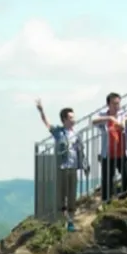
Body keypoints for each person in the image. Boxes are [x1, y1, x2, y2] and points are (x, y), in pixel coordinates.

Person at [36, 98, 89, 231]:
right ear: (64, 120)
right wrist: (42, 111)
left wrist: (84, 165)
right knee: (62, 195)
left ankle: (70, 221)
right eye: (71, 117)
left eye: (73, 117)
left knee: (72, 195)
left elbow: (81, 151)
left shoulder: (76, 134)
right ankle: (62, 219)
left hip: (73, 167)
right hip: (62, 167)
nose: (73, 119)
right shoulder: (59, 132)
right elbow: (47, 124)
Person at [90, 92, 127, 203]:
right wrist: (110, 118)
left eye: (118, 103)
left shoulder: (122, 114)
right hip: (108, 153)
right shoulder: (103, 115)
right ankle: (106, 202)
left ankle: (122, 197)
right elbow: (93, 121)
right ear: (108, 104)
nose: (117, 106)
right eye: (114, 104)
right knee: (107, 180)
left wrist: (124, 120)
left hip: (122, 152)